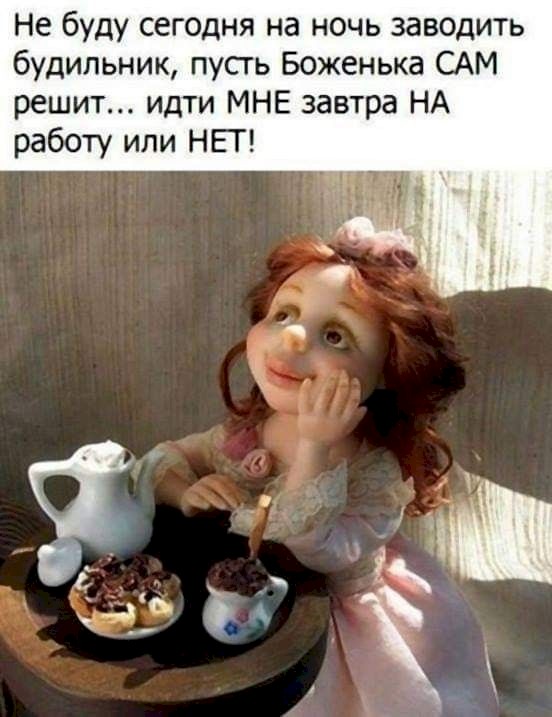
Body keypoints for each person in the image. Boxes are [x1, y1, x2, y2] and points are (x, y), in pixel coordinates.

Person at [138, 217, 500, 716]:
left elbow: (318, 553)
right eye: (284, 313)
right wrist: (184, 491)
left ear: (388, 372)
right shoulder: (253, 429)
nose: (292, 338)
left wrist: (313, 446)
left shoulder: (372, 470)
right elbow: (170, 458)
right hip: (240, 601)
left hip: (331, 625)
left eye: (334, 336)